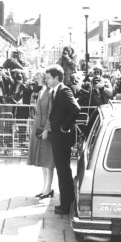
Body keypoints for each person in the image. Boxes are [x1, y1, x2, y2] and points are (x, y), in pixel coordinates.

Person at [45, 64, 81, 214]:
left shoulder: (64, 90)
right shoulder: (55, 91)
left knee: (63, 171)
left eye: (48, 77)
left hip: (62, 138)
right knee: (62, 171)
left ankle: (66, 204)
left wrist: (65, 127)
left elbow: (75, 109)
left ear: (56, 78)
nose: (46, 80)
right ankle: (67, 201)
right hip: (57, 137)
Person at [27, 71, 55, 199]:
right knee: (41, 160)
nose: (36, 80)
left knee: (47, 159)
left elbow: (50, 113)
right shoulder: (42, 91)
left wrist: (47, 129)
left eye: (37, 77)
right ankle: (45, 187)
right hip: (38, 125)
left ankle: (48, 187)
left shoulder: (49, 92)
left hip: (44, 127)